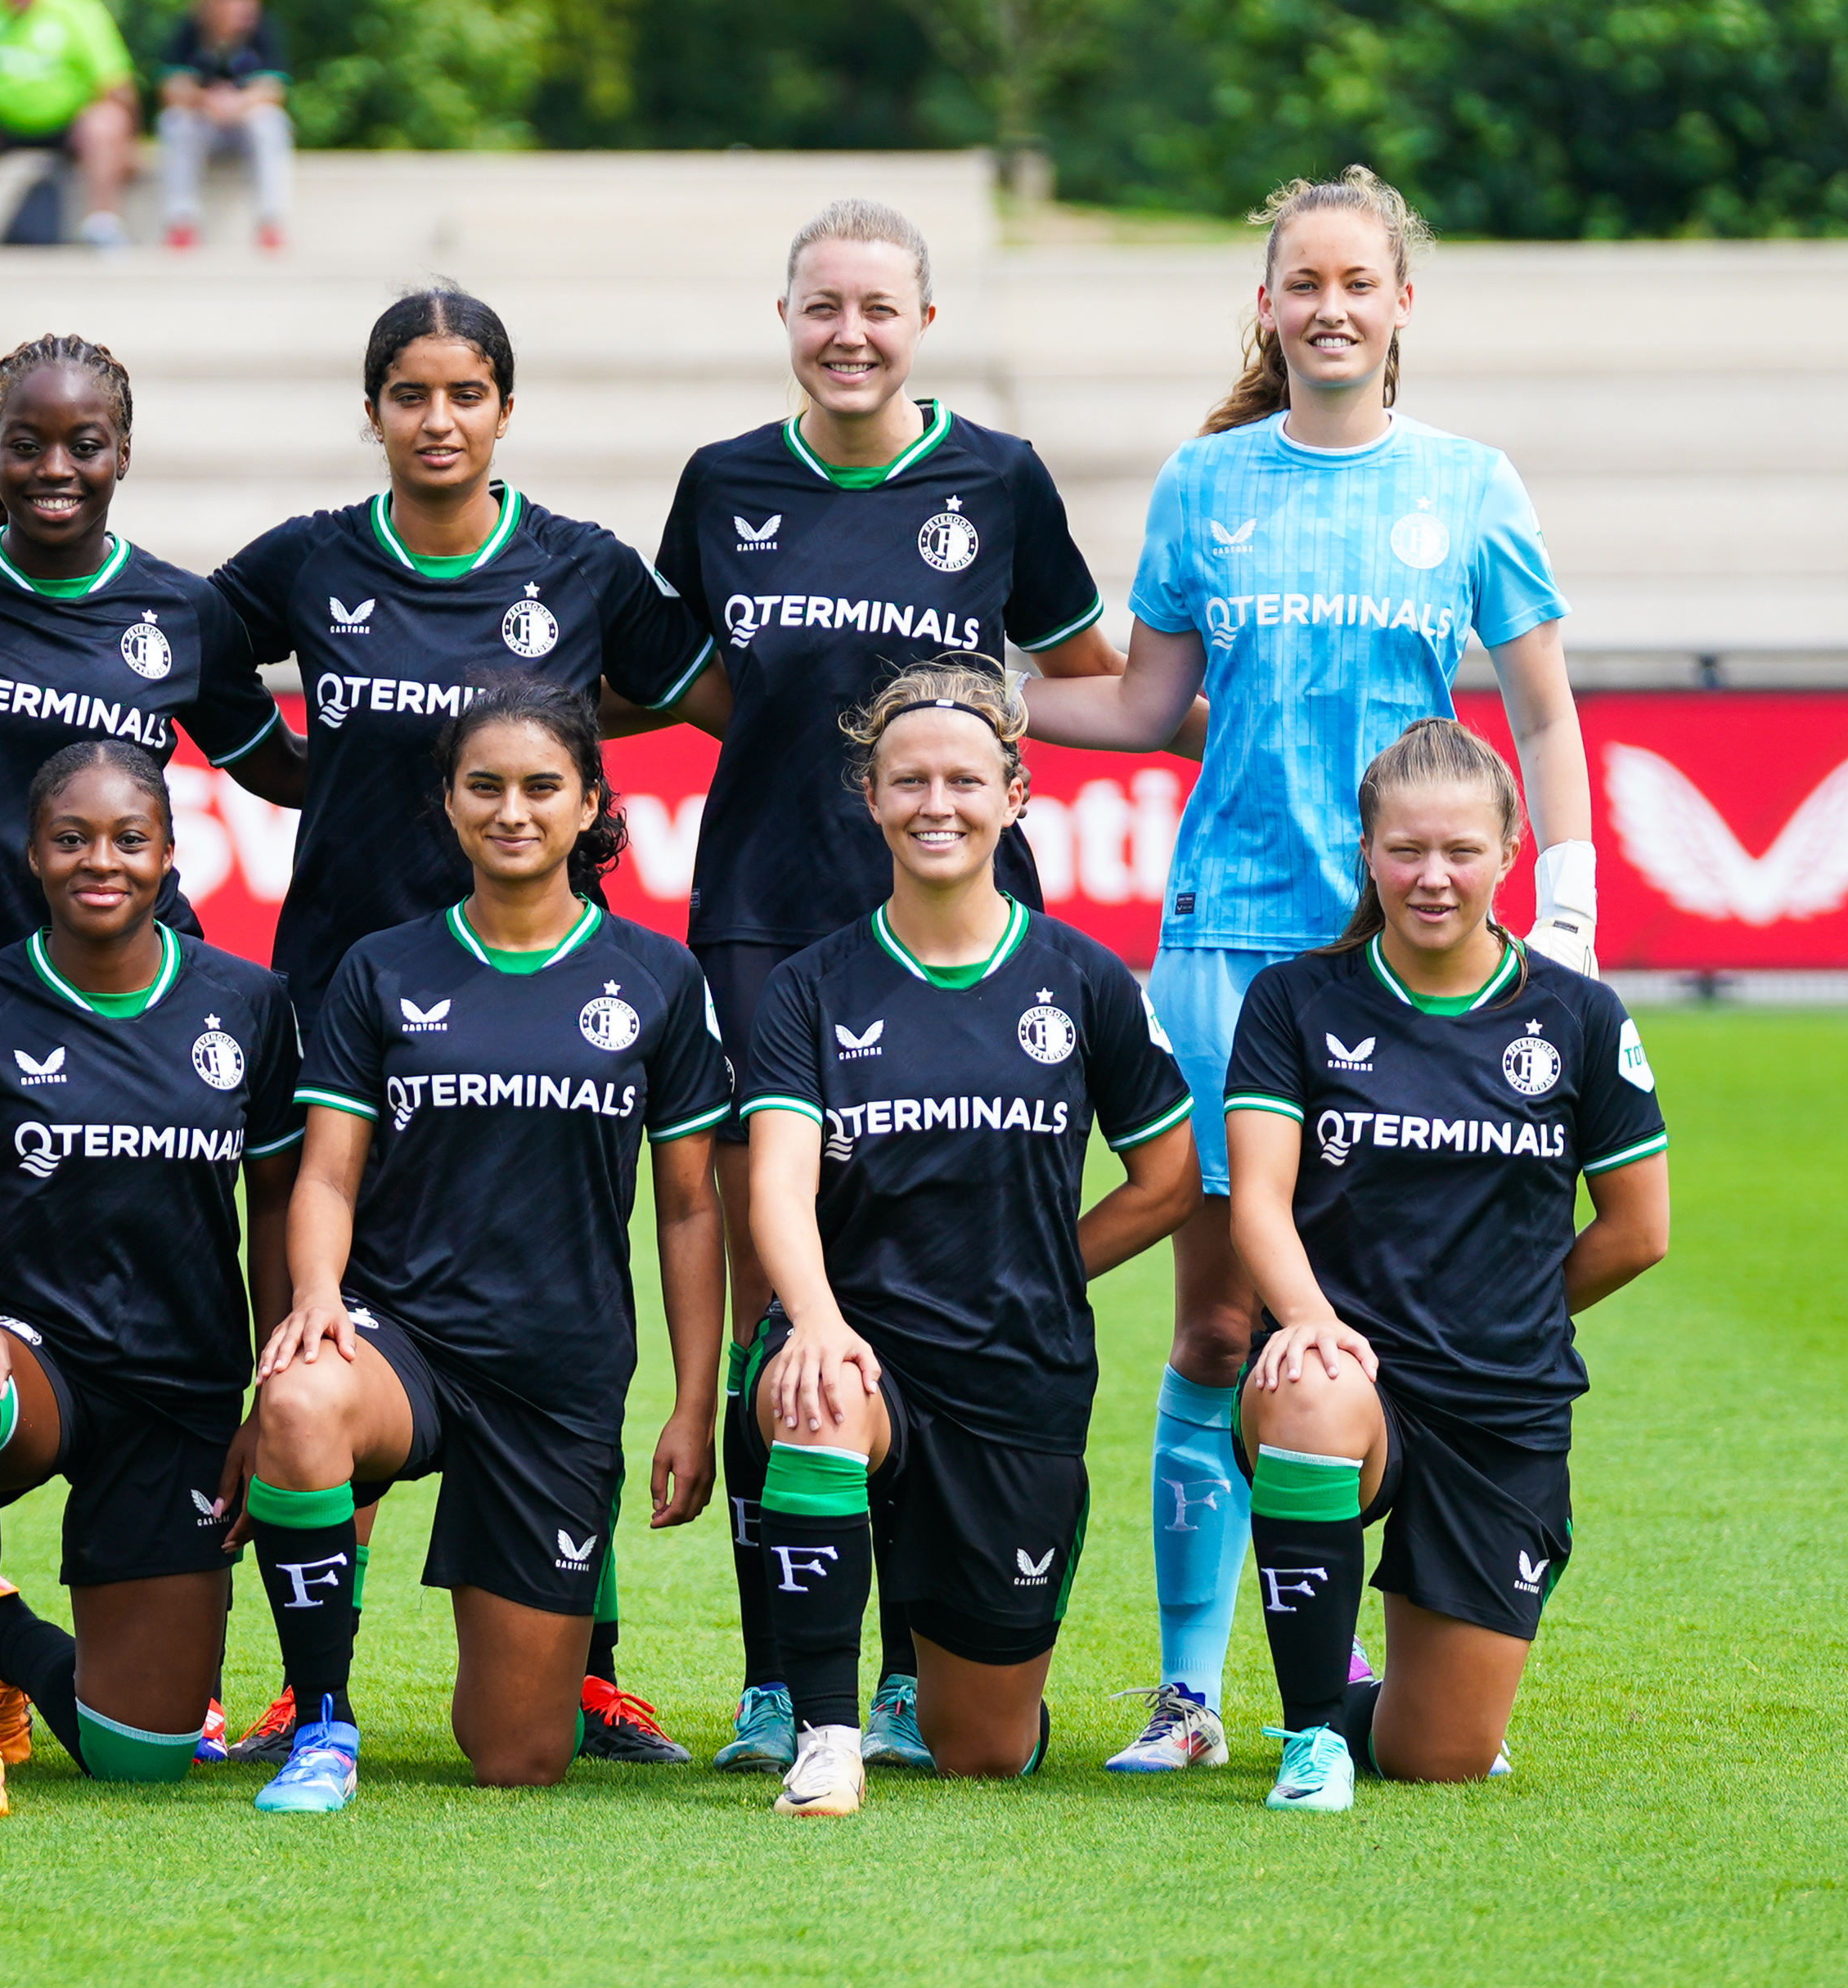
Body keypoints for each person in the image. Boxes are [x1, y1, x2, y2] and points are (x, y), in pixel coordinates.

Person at [0, 291, 721, 1761]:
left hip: (538, 999)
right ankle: (282, 1678)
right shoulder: (304, 563)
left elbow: (716, 690)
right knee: (326, 1321)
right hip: (349, 993)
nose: (439, 419)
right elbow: (163, 654)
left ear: (504, 408)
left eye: (465, 392)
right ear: (373, 408)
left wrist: (546, 751)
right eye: (410, 393)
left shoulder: (579, 564)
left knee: (545, 1303)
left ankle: (579, 1660)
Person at [1018, 168, 1600, 1775]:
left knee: (1392, 1320)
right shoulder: (1206, 484)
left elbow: (1542, 714)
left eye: (1358, 281)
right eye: (1302, 282)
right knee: (1221, 1326)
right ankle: (1191, 1696)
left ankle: (1376, 1663)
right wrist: (980, 693)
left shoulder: (1469, 486)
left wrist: (1566, 920)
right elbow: (1145, 710)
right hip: (1227, 945)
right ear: (1267, 306)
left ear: (1402, 303)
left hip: (1413, 967)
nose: (1329, 305)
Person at [654, 196, 1137, 1779]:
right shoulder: (723, 483)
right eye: (821, 306)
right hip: (767, 914)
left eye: (877, 307)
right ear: (784, 318)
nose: (848, 333)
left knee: (954, 1241)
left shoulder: (996, 478)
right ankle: (780, 1680)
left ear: (923, 323)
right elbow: (698, 680)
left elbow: (1084, 672)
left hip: (960, 924)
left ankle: (923, 1670)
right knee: (771, 1271)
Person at [0, 332, 304, 1770]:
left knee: (155, 1285)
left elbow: (282, 764)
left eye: (85, 442)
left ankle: (81, 1636)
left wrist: (444, 757)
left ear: (124, 449)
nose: (56, 467)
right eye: (27, 443)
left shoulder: (181, 610)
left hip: (135, 1019)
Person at [241, 677, 730, 1814]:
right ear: (449, 803)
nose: (513, 810)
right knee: (301, 1400)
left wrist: (693, 1403)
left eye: (541, 787)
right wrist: (314, 1296)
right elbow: (326, 1174)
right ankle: (321, 1718)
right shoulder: (381, 968)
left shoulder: (657, 977)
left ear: (589, 804)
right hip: (402, 1341)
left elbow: (690, 1209)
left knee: (518, 1754)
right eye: (486, 787)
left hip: (556, 1373)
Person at [737, 662, 1197, 1816]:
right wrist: (818, 1322)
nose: (934, 804)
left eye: (962, 780)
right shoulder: (809, 987)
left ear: (1014, 795)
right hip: (862, 1342)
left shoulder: (1083, 979)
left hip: (1016, 1367)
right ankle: (825, 1735)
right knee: (817, 1395)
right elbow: (777, 1187)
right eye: (908, 782)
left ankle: (942, 1672)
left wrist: (1046, 1263)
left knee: (981, 1750)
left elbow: (1169, 1180)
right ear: (869, 796)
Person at [1220, 717, 1665, 1811]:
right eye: (1406, 850)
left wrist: (1517, 1311)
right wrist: (1310, 1321)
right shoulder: (1294, 1000)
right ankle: (1312, 1736)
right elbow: (1259, 1200)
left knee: (1441, 1755)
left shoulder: (1577, 1015)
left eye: (1460, 851)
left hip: (1501, 1401)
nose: (1432, 877)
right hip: (1352, 1376)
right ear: (1365, 852)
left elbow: (1638, 1229)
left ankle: (1368, 1711)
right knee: (1312, 1389)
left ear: (1508, 853)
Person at [0, 739, 302, 1816]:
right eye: (71, 839)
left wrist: (271, 1391)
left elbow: (276, 1209)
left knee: (140, 1756)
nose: (99, 861)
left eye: (127, 839)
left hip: (183, 1390)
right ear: (32, 854)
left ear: (169, 855)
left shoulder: (247, 1001)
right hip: (41, 1358)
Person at [0, 0, 137, 254]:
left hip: (68, 124)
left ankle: (103, 226)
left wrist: (130, 145)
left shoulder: (78, 8)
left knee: (108, 119)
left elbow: (116, 84)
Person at [155, 0, 294, 252]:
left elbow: (275, 89)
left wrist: (239, 103)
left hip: (245, 125)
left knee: (270, 121)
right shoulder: (190, 32)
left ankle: (271, 223)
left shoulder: (262, 31)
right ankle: (181, 223)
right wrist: (205, 100)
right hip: (204, 126)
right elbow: (171, 87)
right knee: (175, 121)